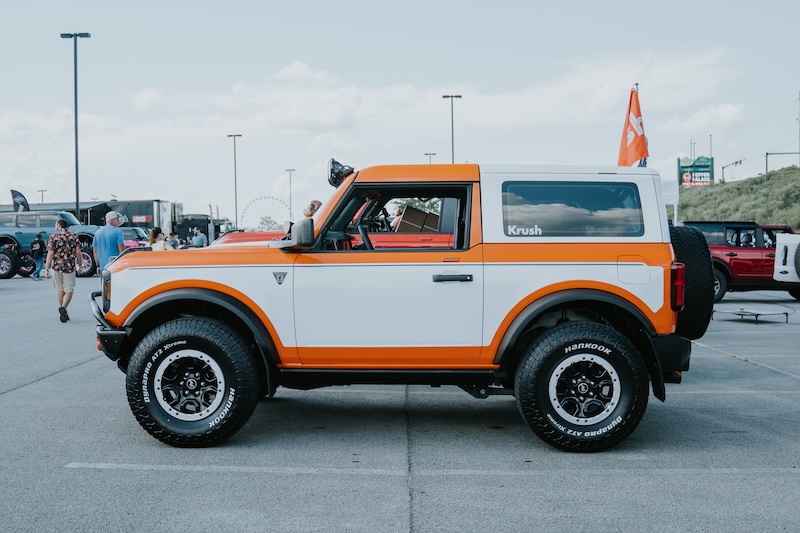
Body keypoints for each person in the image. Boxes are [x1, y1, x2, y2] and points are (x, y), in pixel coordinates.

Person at [43, 219, 81, 322]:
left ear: (59, 225)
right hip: (70, 266)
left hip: (56, 266)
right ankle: (63, 309)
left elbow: (50, 253)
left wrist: (46, 269)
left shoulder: (53, 237)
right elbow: (78, 252)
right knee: (69, 289)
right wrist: (80, 265)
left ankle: (63, 310)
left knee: (60, 289)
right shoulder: (74, 236)